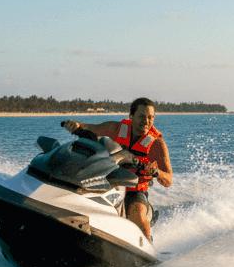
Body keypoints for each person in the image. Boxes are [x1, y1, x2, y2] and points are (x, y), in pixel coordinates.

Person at [60, 97, 172, 241]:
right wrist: (75, 125)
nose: (146, 121)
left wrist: (156, 172)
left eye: (150, 117)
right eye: (141, 117)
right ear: (131, 117)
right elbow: (89, 128)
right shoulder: (116, 129)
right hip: (108, 180)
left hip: (135, 189)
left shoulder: (157, 144)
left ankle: (147, 246)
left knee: (138, 216)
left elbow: (168, 180)